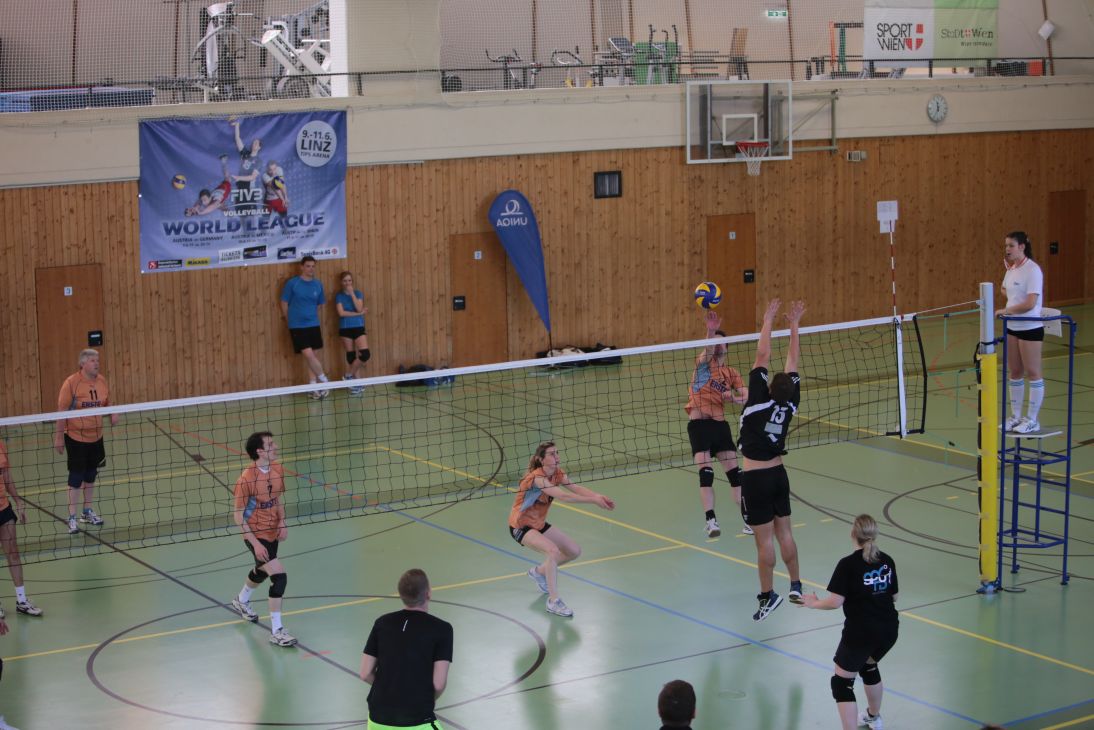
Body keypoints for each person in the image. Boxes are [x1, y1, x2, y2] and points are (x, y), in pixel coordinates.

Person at [738, 299, 805, 621]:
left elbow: (762, 355)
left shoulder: (756, 402)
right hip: (780, 475)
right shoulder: (790, 404)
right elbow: (793, 361)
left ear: (768, 387)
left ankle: (768, 596)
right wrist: (794, 324)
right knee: (785, 533)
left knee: (764, 541)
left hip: (756, 479)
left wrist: (767, 319)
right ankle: (796, 585)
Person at [801, 514, 899, 730]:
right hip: (889, 630)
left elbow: (835, 602)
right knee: (868, 666)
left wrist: (813, 603)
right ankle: (873, 717)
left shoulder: (848, 565)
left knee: (842, 684)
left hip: (861, 633)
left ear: (853, 533)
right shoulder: (887, 560)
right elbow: (894, 597)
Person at [509, 441, 616, 618]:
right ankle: (554, 601)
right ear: (541, 459)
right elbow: (564, 496)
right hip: (521, 526)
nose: (556, 456)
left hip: (538, 523)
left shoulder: (557, 473)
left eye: (557, 453)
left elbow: (576, 488)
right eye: (551, 454)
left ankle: (538, 572)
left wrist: (598, 496)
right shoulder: (537, 478)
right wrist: (593, 501)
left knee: (574, 551)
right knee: (552, 551)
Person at [360, 569, 453, 729]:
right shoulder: (442, 629)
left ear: (401, 594)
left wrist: (392, 694)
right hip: (417, 719)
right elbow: (438, 684)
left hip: (377, 719)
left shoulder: (382, 623)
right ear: (428, 593)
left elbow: (365, 673)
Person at [230, 431, 297, 647]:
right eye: (270, 444)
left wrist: (282, 521)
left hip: (272, 530)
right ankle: (277, 631)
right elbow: (238, 516)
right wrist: (256, 544)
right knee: (279, 577)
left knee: (262, 570)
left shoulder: (277, 469)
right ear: (259, 451)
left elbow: (276, 499)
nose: (276, 447)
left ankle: (241, 600)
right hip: (255, 533)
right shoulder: (246, 480)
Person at [686, 309, 748, 538]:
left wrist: (735, 398)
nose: (717, 345)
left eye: (722, 342)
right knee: (706, 473)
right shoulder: (703, 365)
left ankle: (749, 519)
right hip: (700, 425)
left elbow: (747, 395)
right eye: (715, 342)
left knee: (736, 476)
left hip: (720, 427)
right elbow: (708, 350)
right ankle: (711, 521)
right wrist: (710, 331)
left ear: (728, 347)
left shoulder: (731, 373)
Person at [54, 349, 118, 535]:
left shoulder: (102, 381)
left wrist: (112, 412)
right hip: (76, 437)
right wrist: (59, 437)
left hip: (96, 437)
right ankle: (72, 517)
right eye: (92, 360)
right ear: (82, 364)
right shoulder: (71, 383)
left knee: (91, 474)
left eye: (97, 360)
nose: (97, 363)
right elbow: (61, 411)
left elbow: (106, 402)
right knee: (76, 477)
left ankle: (87, 511)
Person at [994, 231, 1045, 434]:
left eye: (1011, 246)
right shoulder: (1011, 269)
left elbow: (1030, 303)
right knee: (1015, 372)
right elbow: (1005, 289)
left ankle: (1032, 419)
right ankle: (1016, 416)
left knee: (1033, 372)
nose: (1007, 249)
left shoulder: (1033, 270)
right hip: (1012, 327)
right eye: (1006, 245)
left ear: (1022, 247)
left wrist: (1006, 310)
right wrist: (1011, 294)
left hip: (1030, 327)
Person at [0, 439, 42, 618]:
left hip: (3, 507)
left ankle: (22, 601)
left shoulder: (0, 444)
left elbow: (6, 475)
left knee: (14, 553)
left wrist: (18, 501)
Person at [280, 255, 331, 398]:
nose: (311, 269)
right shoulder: (293, 283)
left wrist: (311, 316)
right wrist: (289, 320)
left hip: (313, 324)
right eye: (308, 266)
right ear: (301, 267)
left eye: (313, 266)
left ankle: (313, 387)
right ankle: (325, 381)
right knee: (309, 355)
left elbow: (320, 304)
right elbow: (284, 302)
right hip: (297, 326)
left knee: (312, 357)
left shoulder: (318, 284)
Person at [335, 271, 370, 395]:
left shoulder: (358, 293)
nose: (347, 283)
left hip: (358, 327)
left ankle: (348, 375)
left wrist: (352, 294)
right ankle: (357, 384)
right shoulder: (339, 296)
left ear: (352, 281)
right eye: (345, 281)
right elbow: (341, 313)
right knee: (351, 356)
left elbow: (359, 307)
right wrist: (358, 314)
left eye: (349, 280)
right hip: (345, 328)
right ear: (341, 282)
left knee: (365, 354)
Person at [230, 118, 262, 213]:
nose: (254, 144)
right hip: (240, 187)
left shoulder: (258, 161)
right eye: (253, 143)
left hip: (249, 189)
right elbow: (237, 139)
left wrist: (239, 177)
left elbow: (252, 177)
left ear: (259, 147)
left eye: (256, 143)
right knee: (239, 211)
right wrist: (237, 126)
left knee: (251, 212)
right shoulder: (245, 153)